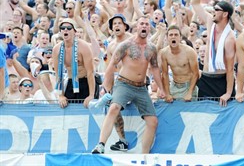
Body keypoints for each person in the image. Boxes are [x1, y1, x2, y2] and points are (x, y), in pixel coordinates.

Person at [92, 16, 165, 154]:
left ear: (149, 28)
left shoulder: (152, 48)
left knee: (153, 121)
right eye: (141, 23)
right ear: (136, 27)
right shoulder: (125, 45)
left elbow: (155, 68)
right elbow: (111, 65)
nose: (144, 26)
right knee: (113, 108)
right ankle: (101, 145)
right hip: (124, 84)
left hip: (141, 87)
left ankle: (145, 156)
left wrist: (161, 88)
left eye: (146, 24)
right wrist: (105, 88)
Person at [191, 0, 236, 106]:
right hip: (206, 78)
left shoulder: (230, 37)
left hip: (221, 80)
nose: (213, 11)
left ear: (225, 14)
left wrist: (228, 92)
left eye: (217, 9)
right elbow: (194, 3)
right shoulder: (210, 22)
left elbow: (230, 68)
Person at [103, 14, 132, 152]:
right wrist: (107, 88)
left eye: (119, 23)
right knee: (112, 107)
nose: (116, 26)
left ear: (125, 26)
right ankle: (122, 141)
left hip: (138, 82)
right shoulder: (111, 46)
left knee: (150, 115)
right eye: (114, 24)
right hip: (121, 83)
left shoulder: (133, 40)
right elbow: (110, 69)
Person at [52, 18, 96, 108]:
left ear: (74, 31)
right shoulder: (57, 49)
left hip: (85, 82)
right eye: (63, 28)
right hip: (70, 82)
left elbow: (90, 72)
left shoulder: (84, 47)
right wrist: (60, 95)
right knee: (68, 111)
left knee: (85, 112)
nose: (65, 30)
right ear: (60, 32)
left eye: (69, 28)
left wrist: (91, 95)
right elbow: (58, 74)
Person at [160, 25, 199, 102]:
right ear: (167, 38)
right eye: (171, 35)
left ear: (180, 37)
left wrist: (190, 92)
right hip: (174, 85)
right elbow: (164, 74)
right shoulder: (164, 53)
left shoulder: (189, 51)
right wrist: (167, 93)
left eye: (176, 35)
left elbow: (196, 73)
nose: (173, 37)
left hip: (188, 85)